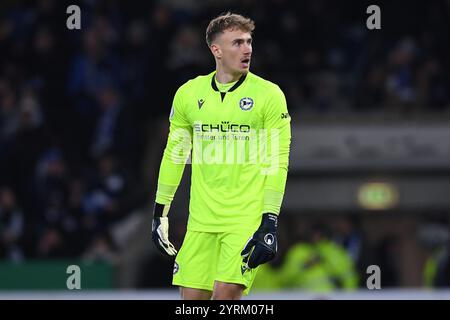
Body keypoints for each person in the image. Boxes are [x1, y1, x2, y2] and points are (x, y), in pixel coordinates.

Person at [151, 12, 291, 300]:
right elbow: (175, 155)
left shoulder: (269, 95)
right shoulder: (188, 94)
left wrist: (270, 221)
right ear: (216, 50)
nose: (247, 49)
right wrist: (160, 213)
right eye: (237, 42)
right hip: (200, 222)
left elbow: (277, 160)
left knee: (225, 298)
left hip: (244, 221)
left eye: (249, 42)